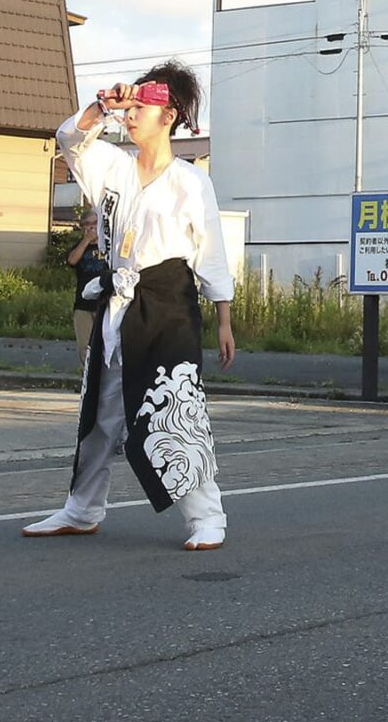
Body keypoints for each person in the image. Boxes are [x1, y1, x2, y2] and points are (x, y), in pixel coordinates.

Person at [21, 65, 236, 550]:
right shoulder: (113, 166)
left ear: (170, 115)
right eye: (131, 106)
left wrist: (223, 318)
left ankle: (207, 515)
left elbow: (211, 254)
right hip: (118, 303)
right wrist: (102, 105)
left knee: (173, 409)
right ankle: (81, 508)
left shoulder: (189, 182)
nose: (133, 114)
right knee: (100, 411)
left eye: (142, 107)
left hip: (168, 308)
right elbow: (68, 140)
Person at [68, 210, 111, 352]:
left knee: (105, 347)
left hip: (106, 303)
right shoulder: (79, 246)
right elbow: (72, 260)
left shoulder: (109, 246)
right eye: (87, 224)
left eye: (94, 223)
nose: (91, 227)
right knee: (85, 347)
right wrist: (86, 240)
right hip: (83, 305)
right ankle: (85, 373)